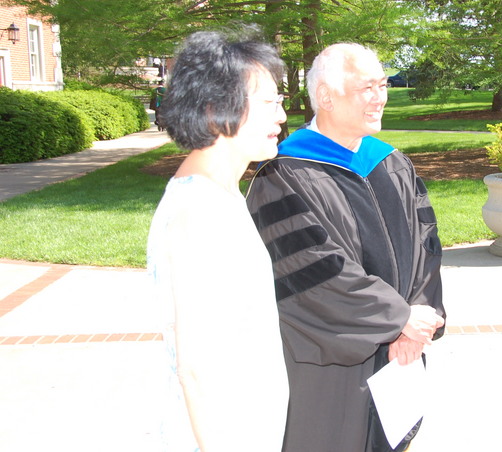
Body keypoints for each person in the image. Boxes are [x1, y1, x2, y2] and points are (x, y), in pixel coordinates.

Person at [246, 42, 446, 452]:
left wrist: (418, 319)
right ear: (325, 96)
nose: (380, 97)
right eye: (366, 87)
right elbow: (314, 272)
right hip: (335, 362)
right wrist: (398, 318)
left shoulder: (392, 162)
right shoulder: (282, 176)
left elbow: (427, 245)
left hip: (402, 351)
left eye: (383, 85)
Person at [147, 29, 289, 451]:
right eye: (269, 103)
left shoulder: (219, 195)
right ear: (214, 109)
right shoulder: (201, 212)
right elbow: (196, 369)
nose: (281, 116)